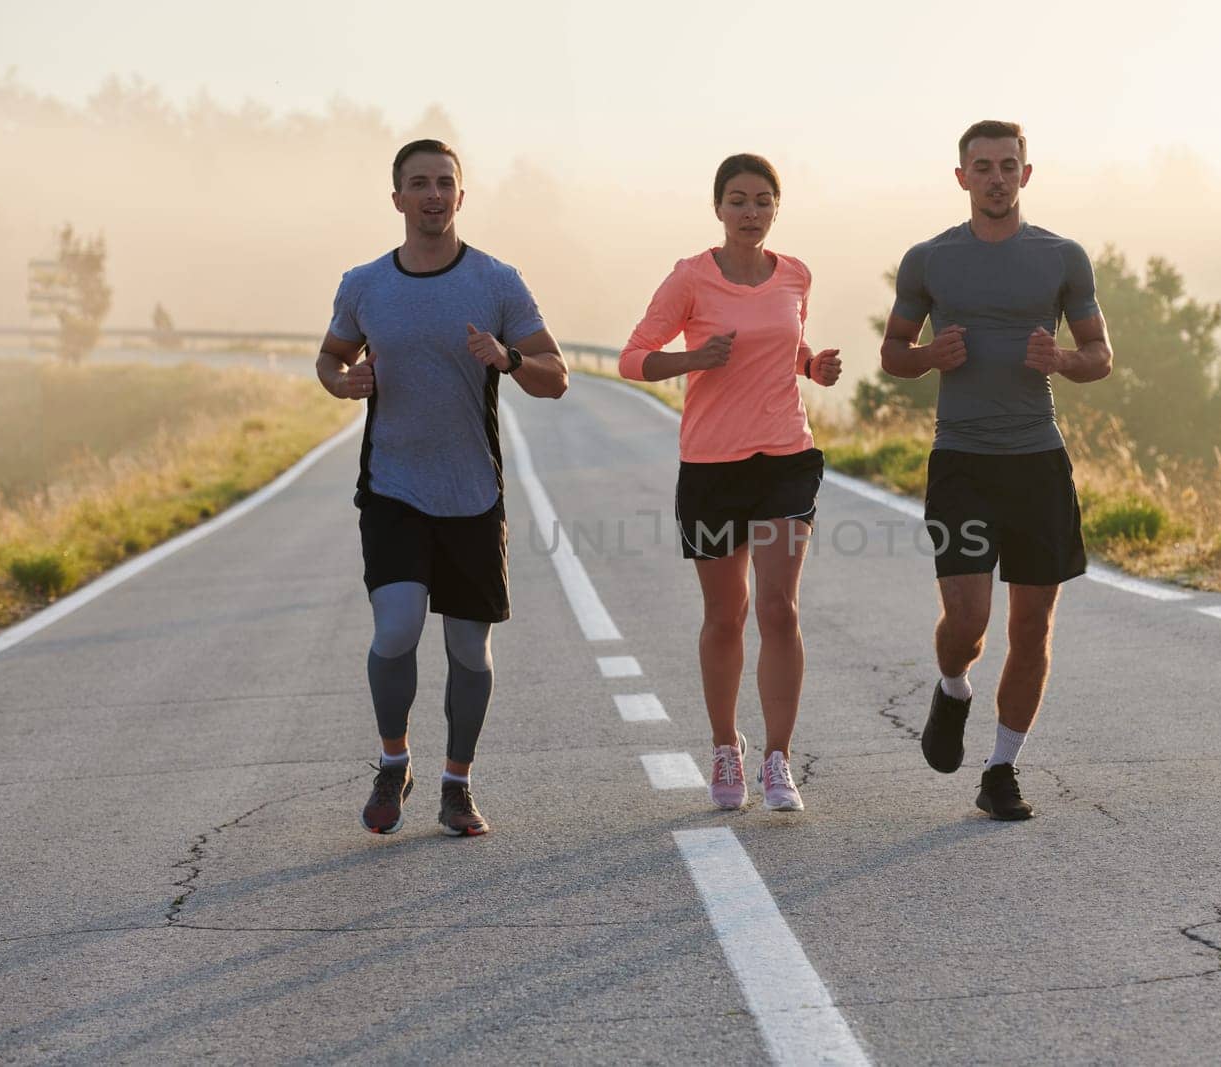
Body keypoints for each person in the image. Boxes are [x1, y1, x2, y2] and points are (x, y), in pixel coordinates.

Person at [316, 139, 568, 836]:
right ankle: (394, 760)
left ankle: (457, 784)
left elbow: (556, 374)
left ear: (462, 196)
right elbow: (330, 355)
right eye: (418, 183)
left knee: (468, 651)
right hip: (393, 486)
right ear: (396, 197)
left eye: (444, 183)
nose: (432, 194)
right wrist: (342, 381)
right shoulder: (365, 283)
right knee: (394, 630)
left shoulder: (496, 282)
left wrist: (509, 356)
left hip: (471, 494)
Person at [880, 120, 1113, 821]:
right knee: (969, 617)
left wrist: (1065, 361)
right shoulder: (928, 260)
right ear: (961, 178)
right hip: (962, 461)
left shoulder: (1062, 257)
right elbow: (893, 350)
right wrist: (927, 357)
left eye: (1008, 166)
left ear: (1026, 174)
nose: (996, 178)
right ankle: (952, 685)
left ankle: (1001, 768)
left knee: (1033, 626)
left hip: (1038, 461)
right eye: (982, 167)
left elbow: (1099, 353)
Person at [620, 153, 842, 812]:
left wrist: (812, 365)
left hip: (785, 459)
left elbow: (784, 346)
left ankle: (779, 758)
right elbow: (634, 357)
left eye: (762, 201)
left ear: (777, 207)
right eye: (738, 201)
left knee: (780, 610)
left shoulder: (796, 274)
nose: (751, 213)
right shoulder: (690, 278)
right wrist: (693, 358)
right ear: (718, 208)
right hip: (713, 467)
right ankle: (726, 746)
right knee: (726, 616)